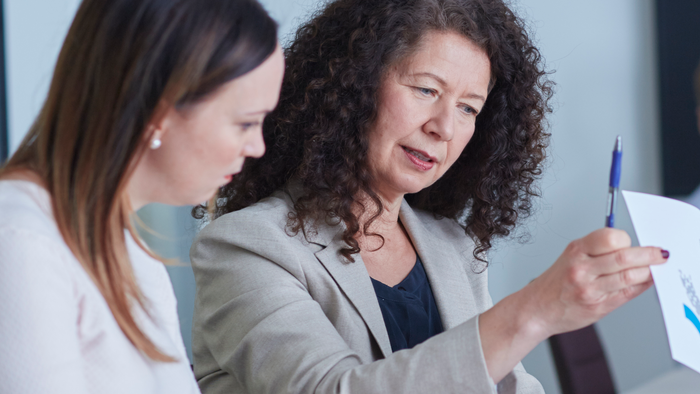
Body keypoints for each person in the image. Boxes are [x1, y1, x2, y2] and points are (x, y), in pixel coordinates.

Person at [190, 0, 667, 393]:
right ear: (355, 85)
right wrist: (535, 309)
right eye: (424, 89)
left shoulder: (451, 247)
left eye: (467, 108)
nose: (444, 127)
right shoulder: (246, 245)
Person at [0, 0, 284, 393]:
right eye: (246, 122)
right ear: (158, 109)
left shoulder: (127, 250)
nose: (257, 147)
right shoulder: (22, 242)